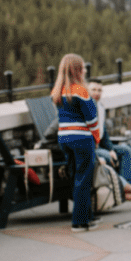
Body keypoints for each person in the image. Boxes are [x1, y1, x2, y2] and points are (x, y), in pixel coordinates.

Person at [51, 54, 100, 232]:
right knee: (84, 178)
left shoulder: (57, 91)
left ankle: (87, 217)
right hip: (81, 138)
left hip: (64, 138)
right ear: (76, 70)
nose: (85, 70)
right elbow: (92, 119)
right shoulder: (81, 91)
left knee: (75, 177)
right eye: (83, 67)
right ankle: (79, 222)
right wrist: (96, 138)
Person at [88, 80, 131, 186]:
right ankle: (119, 186)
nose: (97, 93)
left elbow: (104, 133)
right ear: (87, 91)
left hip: (101, 147)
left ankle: (126, 185)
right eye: (93, 90)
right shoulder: (85, 108)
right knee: (107, 156)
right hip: (90, 149)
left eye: (99, 90)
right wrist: (107, 152)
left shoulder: (100, 107)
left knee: (126, 150)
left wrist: (111, 149)